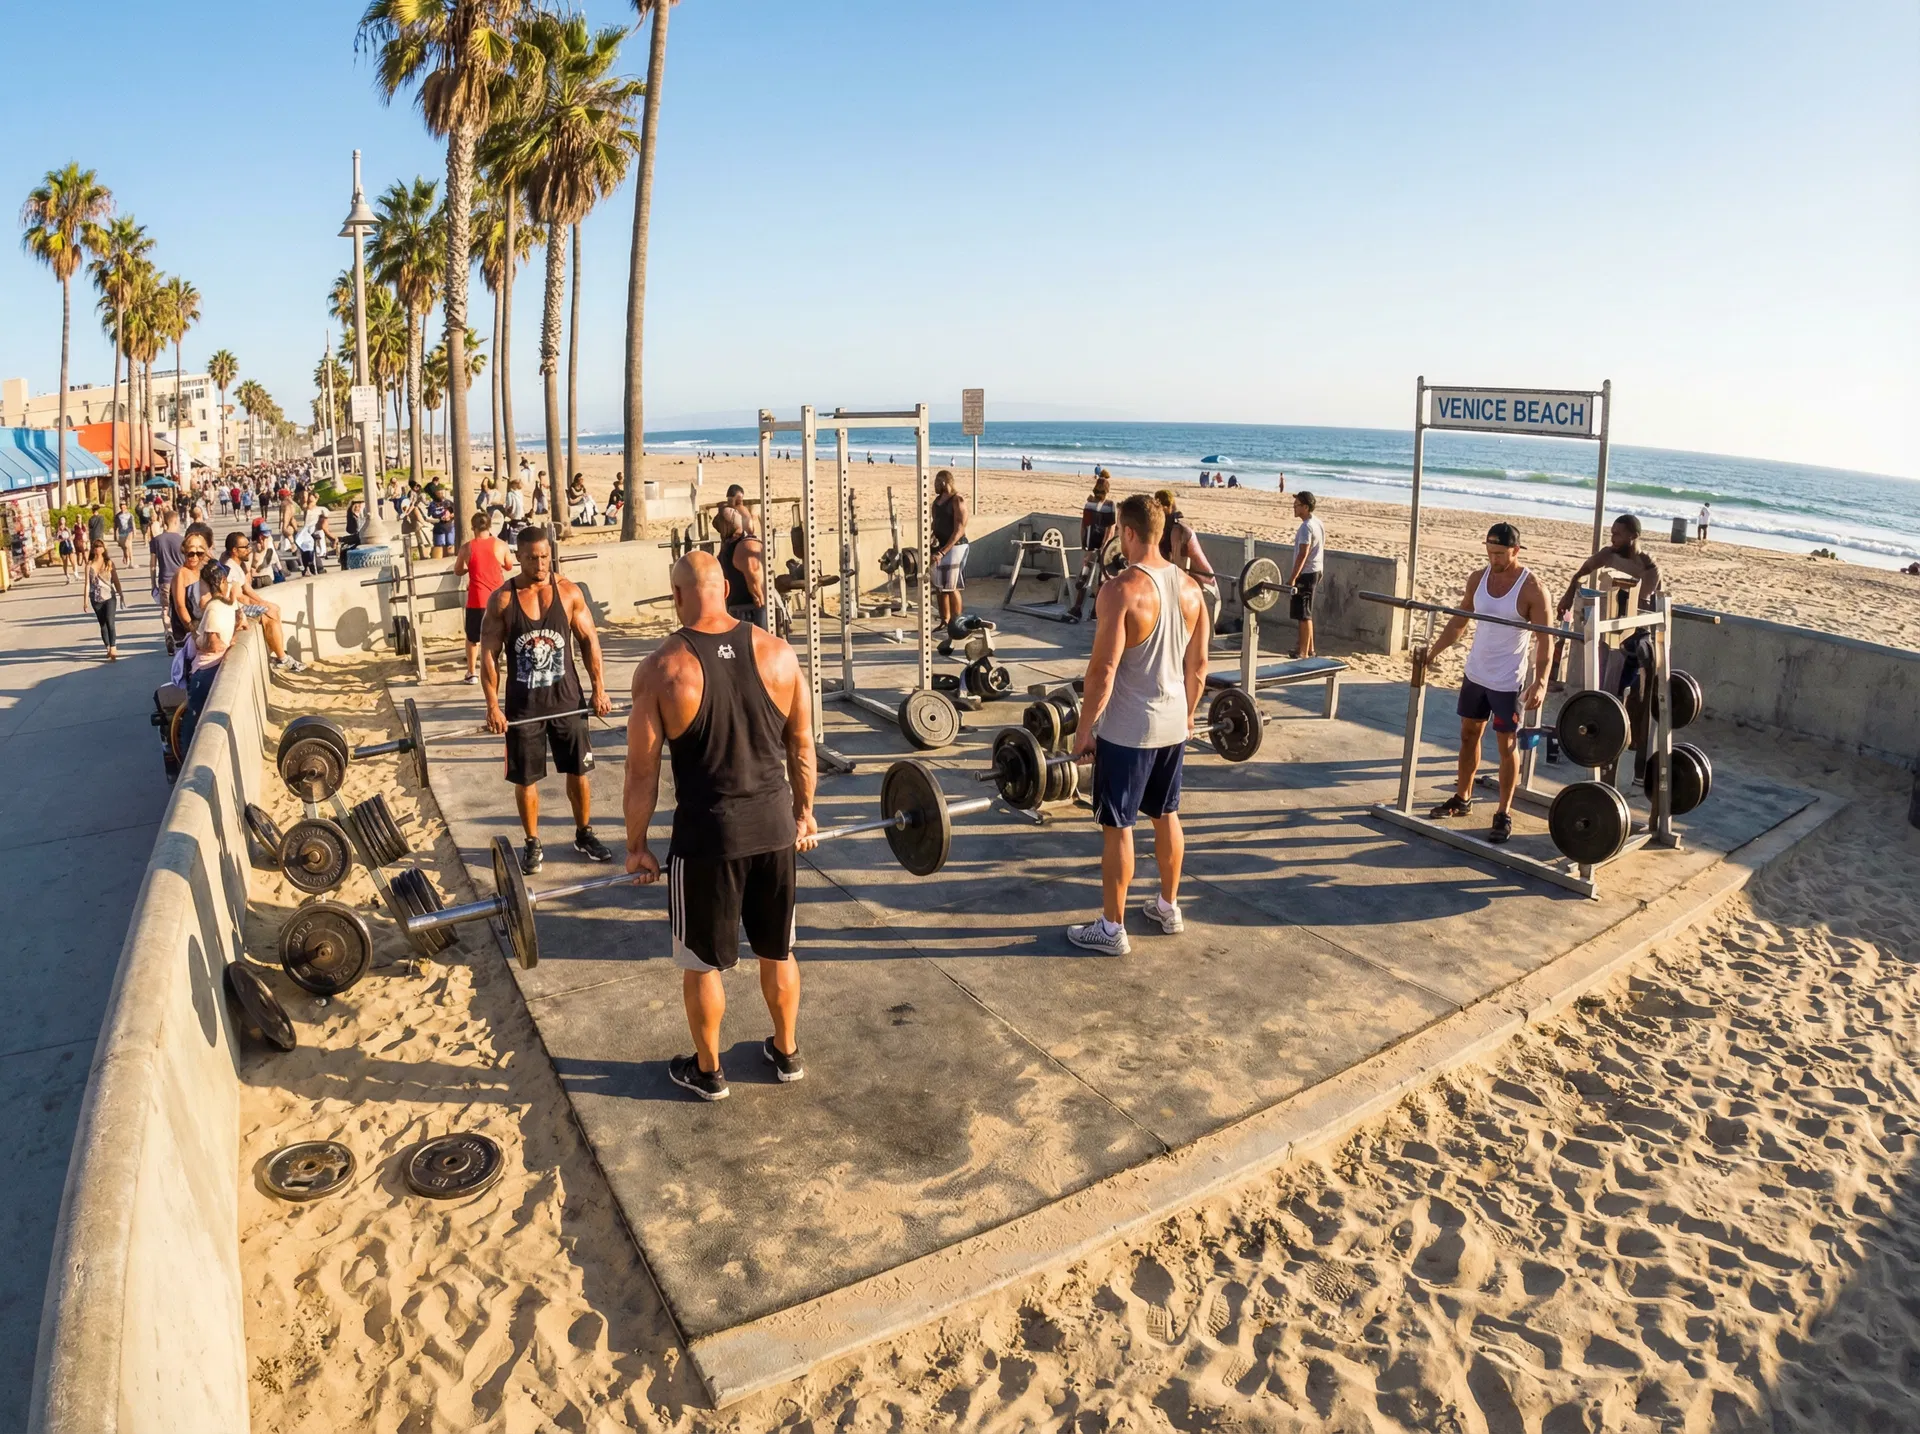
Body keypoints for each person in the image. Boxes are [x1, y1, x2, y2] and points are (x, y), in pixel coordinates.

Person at [622, 550, 814, 1101]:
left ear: (677, 597)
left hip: (708, 839)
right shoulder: (779, 654)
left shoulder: (661, 669)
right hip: (776, 829)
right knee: (779, 950)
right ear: (726, 589)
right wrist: (804, 814)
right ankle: (786, 1051)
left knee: (702, 964)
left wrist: (637, 847)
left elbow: (641, 774)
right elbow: (801, 745)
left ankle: (708, 1071)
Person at [1068, 495, 1208, 956]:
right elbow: (1200, 667)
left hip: (1128, 731)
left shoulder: (1121, 589)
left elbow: (1102, 671)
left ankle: (1111, 929)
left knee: (1119, 826)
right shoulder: (1191, 588)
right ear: (1164, 530)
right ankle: (1169, 906)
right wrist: (1187, 715)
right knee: (1166, 814)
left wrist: (1085, 730)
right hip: (1173, 726)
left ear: (1127, 533)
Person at [480, 527, 614, 874]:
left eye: (544, 557)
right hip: (524, 706)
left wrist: (599, 687)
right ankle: (532, 842)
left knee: (579, 772)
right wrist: (492, 705)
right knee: (526, 779)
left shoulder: (569, 592)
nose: (539, 564)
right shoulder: (503, 600)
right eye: (531, 558)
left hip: (567, 699)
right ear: (518, 558)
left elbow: (589, 641)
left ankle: (584, 833)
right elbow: (489, 656)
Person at [1418, 523, 1551, 845]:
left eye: (1500, 554)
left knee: (1506, 745)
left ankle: (1503, 812)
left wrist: (1541, 681)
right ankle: (1462, 797)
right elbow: (1459, 621)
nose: (1494, 559)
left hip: (1507, 681)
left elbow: (1547, 640)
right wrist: (1433, 653)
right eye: (1490, 553)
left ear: (1516, 551)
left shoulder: (1532, 588)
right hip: (1476, 674)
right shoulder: (1478, 579)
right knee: (1468, 734)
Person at [177, 561, 239, 754]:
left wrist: (196, 637)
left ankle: (187, 759)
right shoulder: (231, 604)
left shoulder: (213, 608)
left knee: (193, 722)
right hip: (215, 666)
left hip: (204, 671)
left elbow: (212, 645)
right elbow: (239, 623)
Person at [220, 532, 303, 672]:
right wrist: (261, 605)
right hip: (235, 609)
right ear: (234, 550)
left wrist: (262, 602)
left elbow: (246, 587)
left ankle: (278, 652)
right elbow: (239, 597)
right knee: (268, 615)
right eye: (245, 547)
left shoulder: (236, 565)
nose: (248, 549)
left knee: (274, 608)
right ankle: (282, 658)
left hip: (240, 605)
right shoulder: (229, 567)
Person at [454, 510, 514, 684]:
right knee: (506, 634)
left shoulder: (467, 548)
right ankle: (509, 667)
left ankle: (472, 672)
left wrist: (469, 568)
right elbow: (509, 565)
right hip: (499, 597)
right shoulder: (501, 545)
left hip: (477, 599)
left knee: (473, 639)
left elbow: (457, 570)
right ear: (489, 526)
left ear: (473, 528)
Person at [1151, 489, 1219, 635]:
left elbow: (1177, 567)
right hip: (1191, 585)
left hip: (1205, 588)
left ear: (1165, 507)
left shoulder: (1178, 530)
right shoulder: (1167, 529)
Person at [1065, 474, 1116, 622]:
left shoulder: (1088, 505)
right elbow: (1110, 529)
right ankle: (1094, 611)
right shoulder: (1110, 505)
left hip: (1089, 543)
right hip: (1102, 545)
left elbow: (1084, 526)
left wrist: (1083, 543)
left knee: (1085, 574)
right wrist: (1105, 545)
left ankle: (1077, 608)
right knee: (1101, 579)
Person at [1286, 492, 1325, 658]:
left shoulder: (1306, 527)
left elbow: (1303, 553)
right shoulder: (1318, 522)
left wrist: (1294, 577)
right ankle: (1310, 649)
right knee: (1306, 612)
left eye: (1297, 505)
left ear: (1306, 507)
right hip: (1316, 570)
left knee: (1304, 615)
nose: (1294, 507)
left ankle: (1303, 652)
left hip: (1307, 573)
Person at [930, 469, 970, 629]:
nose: (935, 485)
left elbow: (959, 529)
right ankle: (944, 620)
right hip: (939, 544)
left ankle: (957, 620)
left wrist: (943, 551)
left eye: (938, 481)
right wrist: (931, 540)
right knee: (940, 587)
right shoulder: (936, 502)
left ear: (945, 482)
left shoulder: (957, 500)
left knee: (951, 585)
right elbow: (935, 523)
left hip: (956, 546)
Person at [83, 542, 126, 659]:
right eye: (95, 547)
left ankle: (113, 647)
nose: (97, 549)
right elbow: (87, 584)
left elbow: (116, 580)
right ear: (92, 550)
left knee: (110, 622)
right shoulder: (89, 565)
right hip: (96, 598)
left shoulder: (109, 563)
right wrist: (85, 600)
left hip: (109, 596)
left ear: (103, 549)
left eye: (100, 546)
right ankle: (107, 647)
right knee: (102, 624)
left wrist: (121, 593)